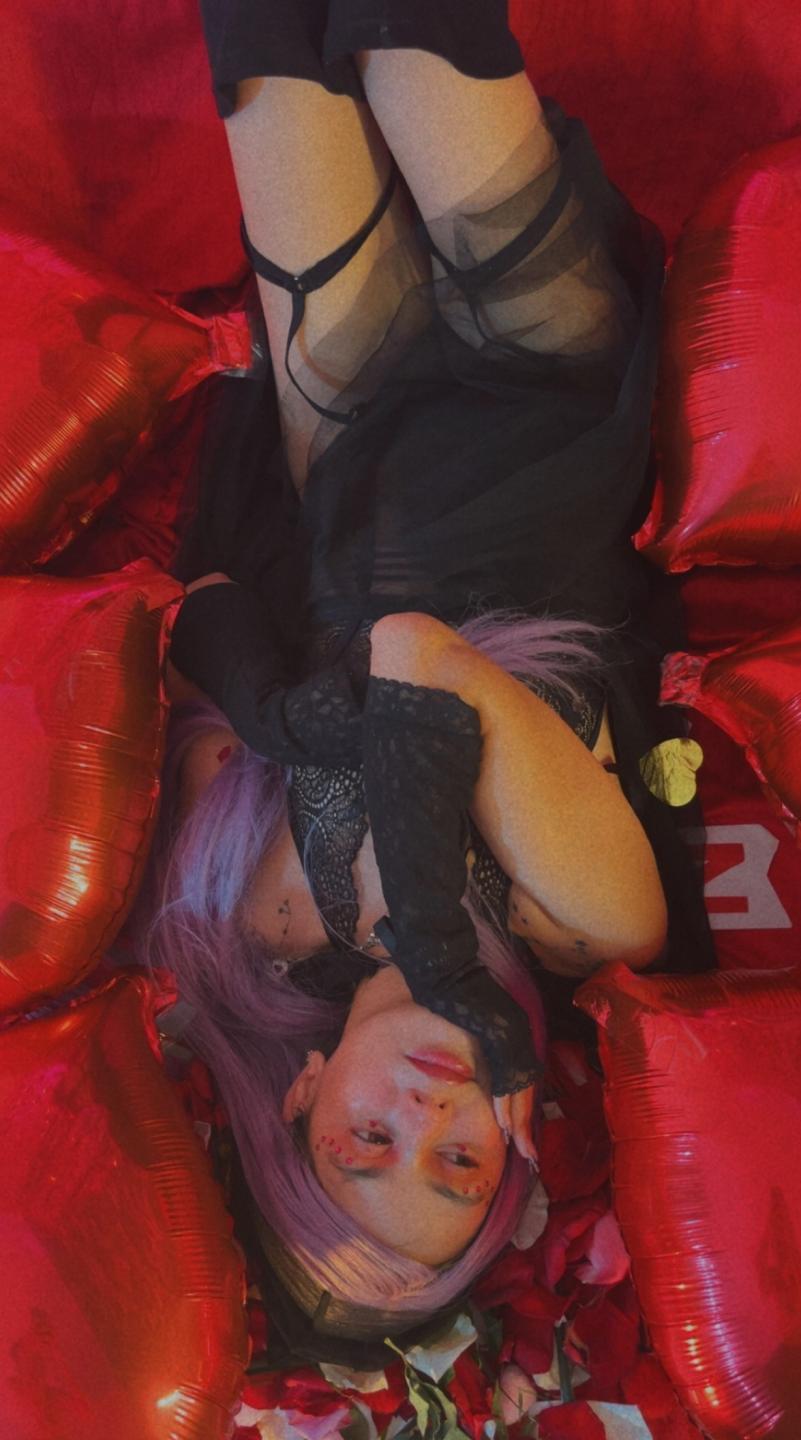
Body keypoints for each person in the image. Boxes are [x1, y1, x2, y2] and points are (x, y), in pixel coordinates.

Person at [143, 0, 714, 1366]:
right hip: (543, 404)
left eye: (368, 1143)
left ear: (298, 1101)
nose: (425, 1111)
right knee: (413, 34)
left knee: (264, 50)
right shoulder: (594, 925)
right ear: (515, 1143)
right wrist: (444, 959)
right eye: (458, 1164)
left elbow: (204, 607)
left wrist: (270, 712)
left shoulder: (247, 918)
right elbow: (418, 659)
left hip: (340, 454)